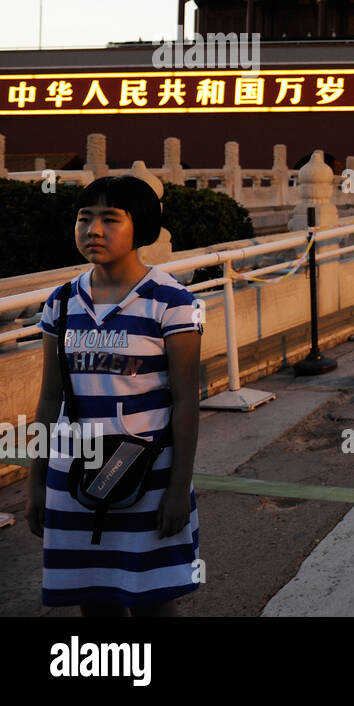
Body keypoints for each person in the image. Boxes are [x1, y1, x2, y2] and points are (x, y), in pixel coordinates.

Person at [26, 175, 203, 616]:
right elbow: (50, 399)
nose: (93, 230)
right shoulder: (61, 303)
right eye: (84, 219)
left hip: (146, 471)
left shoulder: (172, 301)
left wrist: (179, 488)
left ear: (139, 226)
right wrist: (36, 482)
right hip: (74, 472)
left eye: (110, 219)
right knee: (94, 598)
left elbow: (185, 399)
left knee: (152, 599)